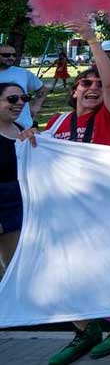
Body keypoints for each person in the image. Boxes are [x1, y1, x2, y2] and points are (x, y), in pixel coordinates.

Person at [41, 22, 110, 365]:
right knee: (65, 271)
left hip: (103, 208)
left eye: (99, 84)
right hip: (64, 210)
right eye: (86, 83)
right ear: (74, 91)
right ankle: (86, 330)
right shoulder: (56, 122)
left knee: (103, 267)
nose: (94, 88)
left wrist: (91, 39)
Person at [0, 83, 32, 277]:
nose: (20, 103)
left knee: (15, 266)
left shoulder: (21, 129)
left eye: (24, 98)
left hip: (19, 204)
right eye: (12, 99)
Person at [0, 43, 46, 130]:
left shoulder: (22, 73)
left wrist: (36, 106)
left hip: (23, 126)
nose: (11, 58)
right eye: (6, 55)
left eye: (14, 55)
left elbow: (42, 89)